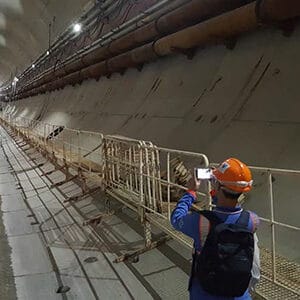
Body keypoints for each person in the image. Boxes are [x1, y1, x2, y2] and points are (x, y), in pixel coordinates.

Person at [171, 158, 260, 300]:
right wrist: (218, 187)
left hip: (204, 293)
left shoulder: (201, 221)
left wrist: (191, 192)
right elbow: (228, 207)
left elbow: (176, 219)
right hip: (239, 294)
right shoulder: (253, 220)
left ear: (218, 186)